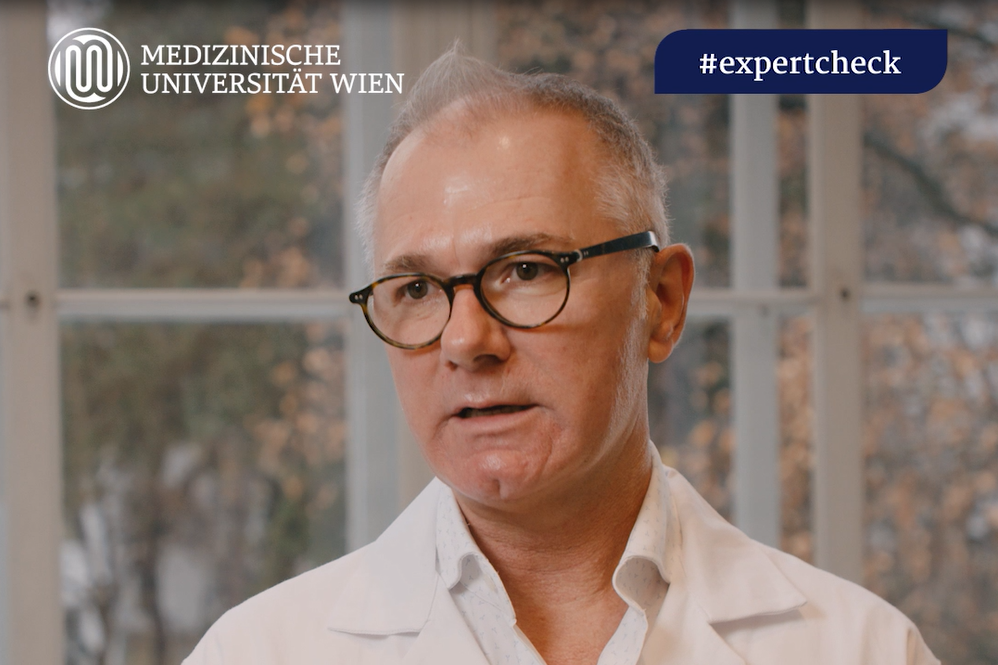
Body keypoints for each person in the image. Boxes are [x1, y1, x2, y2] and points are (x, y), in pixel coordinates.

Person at [184, 47, 938, 665]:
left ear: (661, 300)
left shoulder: (864, 649)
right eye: (415, 288)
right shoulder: (254, 652)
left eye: (526, 270)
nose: (465, 342)